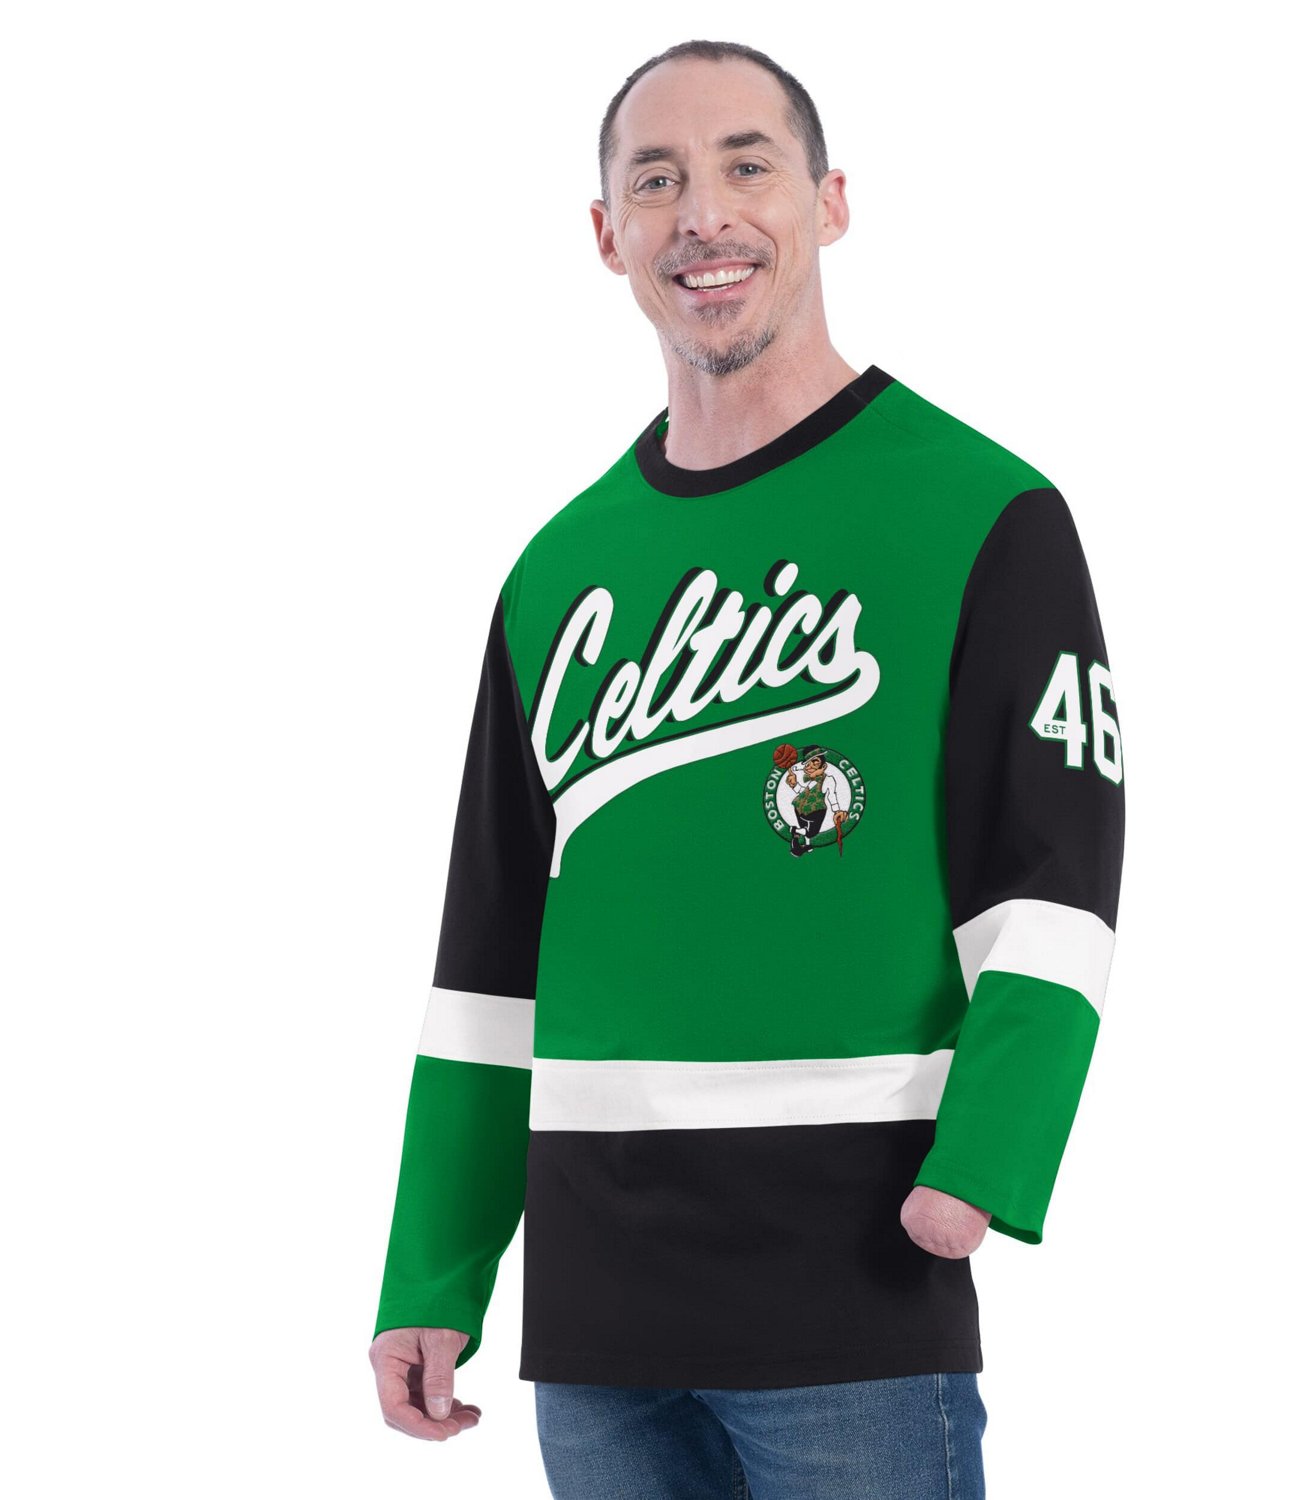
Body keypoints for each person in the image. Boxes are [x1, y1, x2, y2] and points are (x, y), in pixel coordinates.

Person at [369, 38, 1126, 1500]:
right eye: (656, 181)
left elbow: (1056, 885)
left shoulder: (984, 512)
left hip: (855, 1289)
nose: (702, 214)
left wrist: (989, 1163)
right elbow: (489, 963)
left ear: (830, 202)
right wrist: (433, 1266)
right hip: (596, 1323)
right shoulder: (558, 570)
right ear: (608, 236)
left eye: (746, 165)